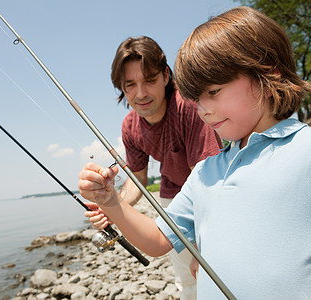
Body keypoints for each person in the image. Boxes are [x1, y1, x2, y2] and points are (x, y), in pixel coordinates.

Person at [78, 7, 311, 299]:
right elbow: (157, 240)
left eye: (214, 91)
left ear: (267, 73)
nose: (203, 109)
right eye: (197, 97)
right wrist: (112, 201)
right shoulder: (205, 173)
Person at [84, 36, 223, 299]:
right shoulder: (129, 126)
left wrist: (201, 247)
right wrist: (111, 206)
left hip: (209, 186)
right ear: (122, 89)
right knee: (187, 277)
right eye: (130, 85)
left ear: (166, 75)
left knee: (211, 269)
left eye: (149, 80)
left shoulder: (189, 106)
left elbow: (206, 176)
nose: (141, 93)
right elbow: (138, 178)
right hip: (171, 193)